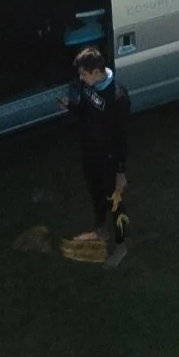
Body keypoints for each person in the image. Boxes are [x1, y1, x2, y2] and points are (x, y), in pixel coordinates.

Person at [66, 46, 131, 265]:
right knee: (95, 194)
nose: (81, 79)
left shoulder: (118, 96)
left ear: (96, 72)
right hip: (90, 153)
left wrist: (121, 171)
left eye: (84, 74)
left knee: (115, 203)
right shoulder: (88, 87)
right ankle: (101, 230)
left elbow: (123, 136)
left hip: (109, 160)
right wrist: (71, 107)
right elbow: (84, 113)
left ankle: (121, 247)